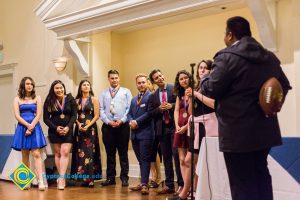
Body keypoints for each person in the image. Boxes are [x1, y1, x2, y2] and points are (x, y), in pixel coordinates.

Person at [201, 16, 292, 200]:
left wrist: (204, 78)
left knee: (241, 183)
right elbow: (284, 84)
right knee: (261, 176)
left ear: (229, 34)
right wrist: (270, 105)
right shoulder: (269, 57)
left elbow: (212, 89)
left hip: (237, 133)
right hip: (265, 130)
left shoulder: (226, 57)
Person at [168, 60, 217, 200]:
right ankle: (189, 192)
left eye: (205, 68)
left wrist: (196, 95)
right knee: (188, 160)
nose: (202, 70)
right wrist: (190, 97)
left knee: (191, 160)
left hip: (208, 125)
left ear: (210, 70)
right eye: (200, 68)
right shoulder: (199, 86)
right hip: (197, 125)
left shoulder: (210, 85)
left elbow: (215, 104)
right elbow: (191, 111)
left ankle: (189, 193)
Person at [148, 69, 183, 194]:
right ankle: (169, 185)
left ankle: (181, 184)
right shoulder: (152, 96)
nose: (160, 78)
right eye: (157, 78)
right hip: (162, 130)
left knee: (177, 156)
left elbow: (183, 103)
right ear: (154, 82)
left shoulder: (174, 88)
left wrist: (172, 106)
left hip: (175, 127)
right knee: (167, 158)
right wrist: (159, 109)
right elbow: (150, 113)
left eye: (161, 75)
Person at [11, 77, 47, 190]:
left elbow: (39, 114)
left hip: (34, 127)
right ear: (23, 85)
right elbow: (17, 115)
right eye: (27, 83)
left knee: (36, 154)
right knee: (25, 155)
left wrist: (31, 126)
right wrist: (27, 126)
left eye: (31, 83)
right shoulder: (17, 99)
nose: (30, 85)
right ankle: (27, 181)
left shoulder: (37, 97)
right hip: (22, 127)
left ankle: (40, 181)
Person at [99, 69, 132, 187]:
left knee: (123, 153)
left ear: (119, 78)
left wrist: (122, 120)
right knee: (110, 154)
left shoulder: (126, 92)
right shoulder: (103, 93)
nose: (114, 80)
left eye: (116, 78)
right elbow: (101, 110)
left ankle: (124, 178)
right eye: (112, 78)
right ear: (108, 79)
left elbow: (129, 108)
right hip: (108, 127)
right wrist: (108, 122)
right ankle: (110, 178)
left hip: (122, 126)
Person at [43, 80, 77, 190]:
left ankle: (61, 178)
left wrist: (68, 127)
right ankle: (61, 178)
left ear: (64, 88)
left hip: (68, 130)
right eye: (56, 88)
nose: (59, 90)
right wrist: (56, 128)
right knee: (57, 153)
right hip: (54, 131)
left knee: (65, 152)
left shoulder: (70, 99)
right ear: (53, 89)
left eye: (61, 88)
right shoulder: (49, 100)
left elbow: (74, 115)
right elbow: (46, 118)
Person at [71, 80, 102, 187]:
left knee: (89, 153)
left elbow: (97, 115)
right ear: (80, 87)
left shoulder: (94, 99)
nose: (86, 86)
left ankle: (91, 179)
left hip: (91, 129)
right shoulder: (76, 101)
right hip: (79, 130)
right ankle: (84, 179)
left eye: (88, 85)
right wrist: (78, 124)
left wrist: (88, 126)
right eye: (84, 85)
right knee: (80, 153)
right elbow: (73, 116)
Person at [128, 74, 154, 195]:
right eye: (139, 83)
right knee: (140, 160)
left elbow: (150, 114)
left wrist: (136, 122)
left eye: (143, 82)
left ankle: (144, 184)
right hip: (134, 134)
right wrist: (130, 121)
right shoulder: (133, 99)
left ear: (147, 83)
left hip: (146, 133)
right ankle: (143, 181)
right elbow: (129, 114)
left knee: (145, 159)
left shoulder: (151, 97)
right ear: (136, 84)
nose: (141, 84)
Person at [172, 70, 193, 195]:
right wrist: (177, 126)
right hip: (179, 129)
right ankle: (185, 187)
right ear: (178, 82)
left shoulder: (194, 92)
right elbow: (175, 111)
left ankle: (192, 188)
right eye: (181, 79)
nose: (184, 80)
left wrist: (186, 126)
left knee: (189, 160)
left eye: (186, 78)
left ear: (189, 79)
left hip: (189, 128)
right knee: (181, 159)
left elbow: (192, 113)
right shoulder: (179, 95)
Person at [147, 78, 163, 188]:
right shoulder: (142, 96)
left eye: (148, 82)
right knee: (150, 153)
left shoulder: (155, 95)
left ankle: (158, 177)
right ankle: (154, 177)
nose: (145, 84)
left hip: (155, 126)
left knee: (154, 152)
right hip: (146, 127)